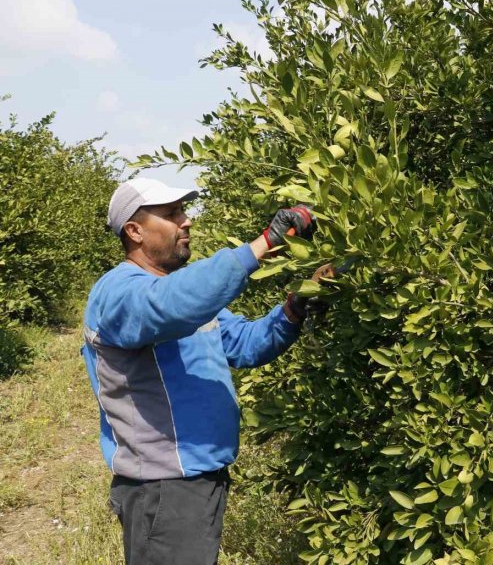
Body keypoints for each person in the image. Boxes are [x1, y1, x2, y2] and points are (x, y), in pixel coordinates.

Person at [81, 177, 326, 564]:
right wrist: (263, 245)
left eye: (183, 210)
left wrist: (293, 309)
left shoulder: (177, 291)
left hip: (197, 481)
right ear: (134, 231)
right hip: (163, 487)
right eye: (171, 214)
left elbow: (244, 343)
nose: (186, 221)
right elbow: (168, 306)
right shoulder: (119, 292)